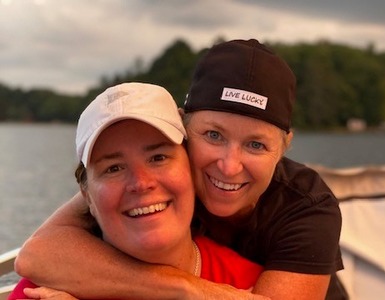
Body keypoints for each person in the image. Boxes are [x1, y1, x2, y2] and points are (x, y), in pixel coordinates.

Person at [15, 39, 346, 300]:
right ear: (183, 127)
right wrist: (189, 288)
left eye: (256, 145)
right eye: (213, 135)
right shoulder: (145, 182)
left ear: (285, 146)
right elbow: (36, 255)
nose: (229, 167)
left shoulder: (307, 209)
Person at [8, 82, 265, 300]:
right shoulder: (42, 288)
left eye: (158, 157)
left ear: (192, 167)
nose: (141, 183)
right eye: (113, 168)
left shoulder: (246, 286)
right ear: (87, 197)